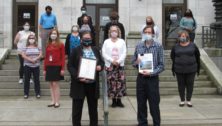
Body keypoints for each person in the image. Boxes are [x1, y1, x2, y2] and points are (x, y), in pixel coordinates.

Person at [68, 31, 104, 126]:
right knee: (77, 110)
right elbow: (70, 66)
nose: (87, 40)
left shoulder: (96, 50)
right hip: (79, 84)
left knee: (93, 109)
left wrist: (100, 66)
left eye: (89, 38)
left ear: (91, 39)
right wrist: (77, 76)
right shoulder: (75, 50)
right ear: (81, 39)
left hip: (92, 84)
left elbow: (101, 62)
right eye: (85, 38)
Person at [132, 26, 164, 126]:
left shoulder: (158, 46)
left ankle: (156, 123)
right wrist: (136, 62)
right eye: (145, 32)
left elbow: (162, 65)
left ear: (153, 34)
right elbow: (133, 62)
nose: (147, 34)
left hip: (152, 79)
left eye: (149, 32)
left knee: (154, 104)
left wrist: (151, 72)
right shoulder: (139, 46)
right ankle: (142, 123)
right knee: (141, 103)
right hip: (141, 78)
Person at [171, 30, 200, 107]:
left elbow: (197, 55)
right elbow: (172, 56)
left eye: (184, 36)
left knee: (190, 84)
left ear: (187, 37)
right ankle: (182, 100)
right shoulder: (175, 46)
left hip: (191, 69)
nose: (182, 37)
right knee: (181, 85)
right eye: (181, 36)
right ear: (179, 37)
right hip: (179, 69)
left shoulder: (193, 45)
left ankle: (189, 100)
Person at [102, 25, 127, 107]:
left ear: (118, 32)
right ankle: (113, 101)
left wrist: (118, 61)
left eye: (115, 31)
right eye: (112, 31)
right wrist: (111, 60)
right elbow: (104, 53)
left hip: (120, 65)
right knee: (111, 83)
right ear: (110, 32)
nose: (114, 32)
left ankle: (119, 100)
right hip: (110, 65)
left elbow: (124, 52)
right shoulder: (106, 42)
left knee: (120, 82)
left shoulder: (122, 41)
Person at [44, 29, 65, 108]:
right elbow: (46, 57)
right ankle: (52, 100)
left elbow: (63, 57)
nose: (53, 35)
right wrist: (44, 69)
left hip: (57, 66)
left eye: (55, 33)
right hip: (49, 66)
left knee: (55, 84)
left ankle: (57, 101)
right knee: (50, 84)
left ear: (57, 35)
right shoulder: (48, 44)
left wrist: (62, 68)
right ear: (50, 35)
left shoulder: (61, 44)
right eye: (52, 33)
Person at [21, 34, 42, 99]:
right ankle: (26, 93)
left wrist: (35, 59)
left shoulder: (38, 47)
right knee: (26, 80)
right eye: (30, 38)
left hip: (36, 66)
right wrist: (30, 60)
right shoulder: (25, 47)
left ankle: (38, 93)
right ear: (28, 40)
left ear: (35, 39)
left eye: (33, 38)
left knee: (37, 80)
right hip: (27, 66)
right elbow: (23, 55)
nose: (31, 39)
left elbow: (41, 54)